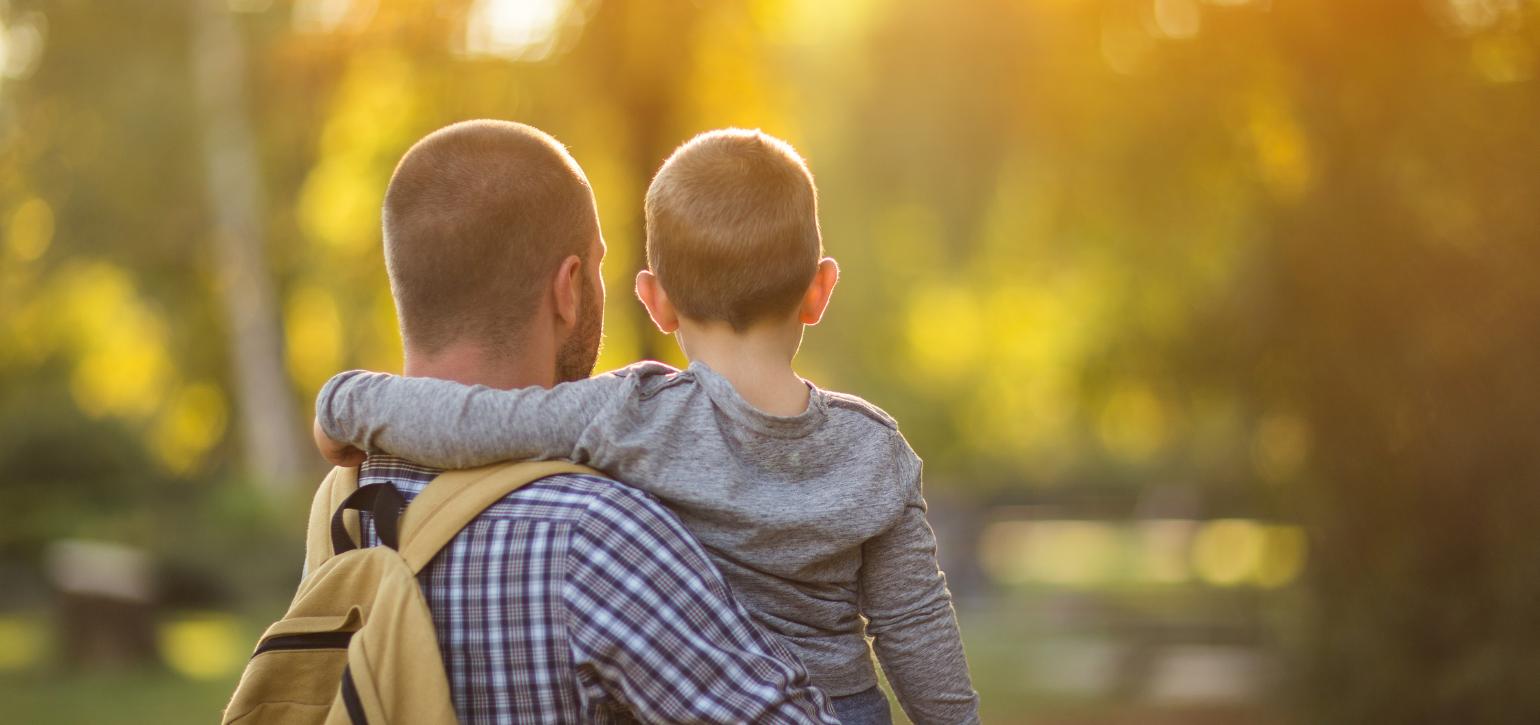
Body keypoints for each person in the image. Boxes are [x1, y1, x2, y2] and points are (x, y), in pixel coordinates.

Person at [315, 129, 980, 724]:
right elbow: (915, 623)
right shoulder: (875, 449)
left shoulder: (629, 414)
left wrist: (350, 400)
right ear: (821, 288)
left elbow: (479, 422)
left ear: (656, 301)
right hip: (850, 706)